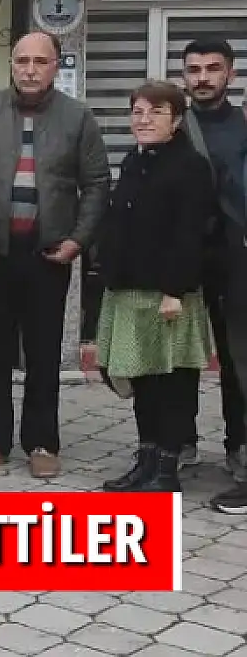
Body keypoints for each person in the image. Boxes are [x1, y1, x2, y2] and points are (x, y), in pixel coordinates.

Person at [0, 30, 111, 479]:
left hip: (48, 254)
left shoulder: (77, 117)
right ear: (12, 64)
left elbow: (97, 183)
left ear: (56, 66)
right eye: (22, 60)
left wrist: (78, 240)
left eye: (40, 61)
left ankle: (42, 442)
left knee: (43, 354)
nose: (30, 70)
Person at [95, 81, 215, 493]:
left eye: (156, 112)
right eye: (137, 112)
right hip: (130, 291)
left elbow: (190, 234)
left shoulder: (190, 166)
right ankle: (145, 461)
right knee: (142, 381)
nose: (143, 120)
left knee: (172, 384)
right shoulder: (134, 160)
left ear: (177, 120)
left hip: (168, 295)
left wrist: (175, 291)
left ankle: (167, 468)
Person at [176, 39, 247, 513]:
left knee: (237, 356)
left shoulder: (243, 125)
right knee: (177, 353)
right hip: (183, 256)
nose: (202, 78)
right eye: (194, 69)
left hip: (235, 256)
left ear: (230, 74)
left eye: (212, 68)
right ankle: (179, 442)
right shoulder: (174, 123)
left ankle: (237, 446)